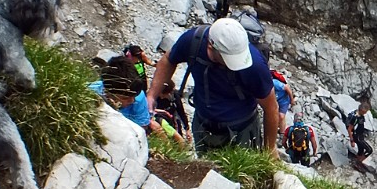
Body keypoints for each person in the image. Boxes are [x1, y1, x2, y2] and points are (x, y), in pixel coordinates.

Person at [146, 17, 280, 153]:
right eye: (228, 58)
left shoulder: (254, 65)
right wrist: (151, 96)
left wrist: (270, 148)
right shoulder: (193, 42)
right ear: (211, 45)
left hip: (242, 130)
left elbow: (271, 107)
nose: (236, 64)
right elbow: (169, 59)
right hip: (203, 126)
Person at [90, 57, 152, 131]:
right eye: (125, 98)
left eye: (134, 96)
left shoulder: (139, 97)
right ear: (107, 91)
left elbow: (142, 127)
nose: (132, 101)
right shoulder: (91, 94)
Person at [345, 99, 373, 172]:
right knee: (369, 150)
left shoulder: (360, 115)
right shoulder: (355, 117)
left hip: (360, 135)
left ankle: (358, 161)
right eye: (364, 112)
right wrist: (352, 141)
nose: (365, 113)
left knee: (361, 150)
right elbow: (349, 129)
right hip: (357, 136)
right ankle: (358, 163)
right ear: (361, 110)